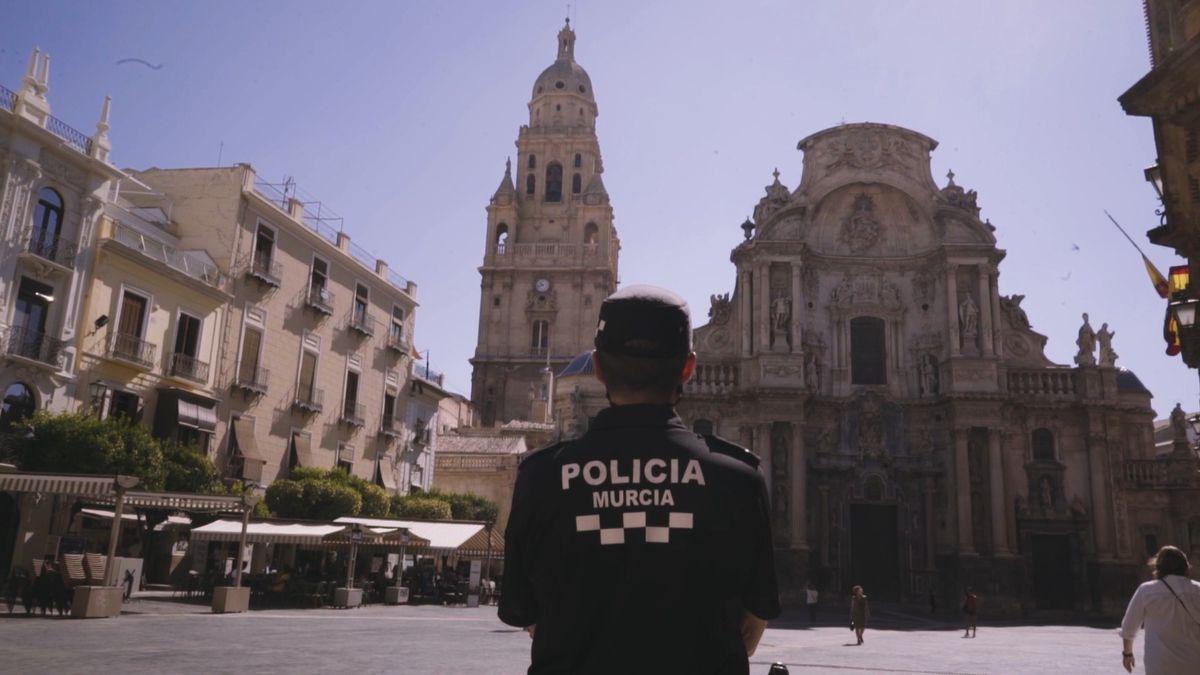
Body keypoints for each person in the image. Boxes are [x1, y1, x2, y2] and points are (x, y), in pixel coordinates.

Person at [499, 285, 780, 674]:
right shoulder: (739, 479)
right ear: (688, 368)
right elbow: (752, 626)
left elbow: (524, 612)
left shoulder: (541, 479)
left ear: (597, 368)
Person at [1119, 546, 1200, 674]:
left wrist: (1127, 654)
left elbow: (1129, 627)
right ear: (1185, 567)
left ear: (1159, 567)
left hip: (1160, 664)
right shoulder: (1198, 590)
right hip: (1194, 663)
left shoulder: (1146, 590)